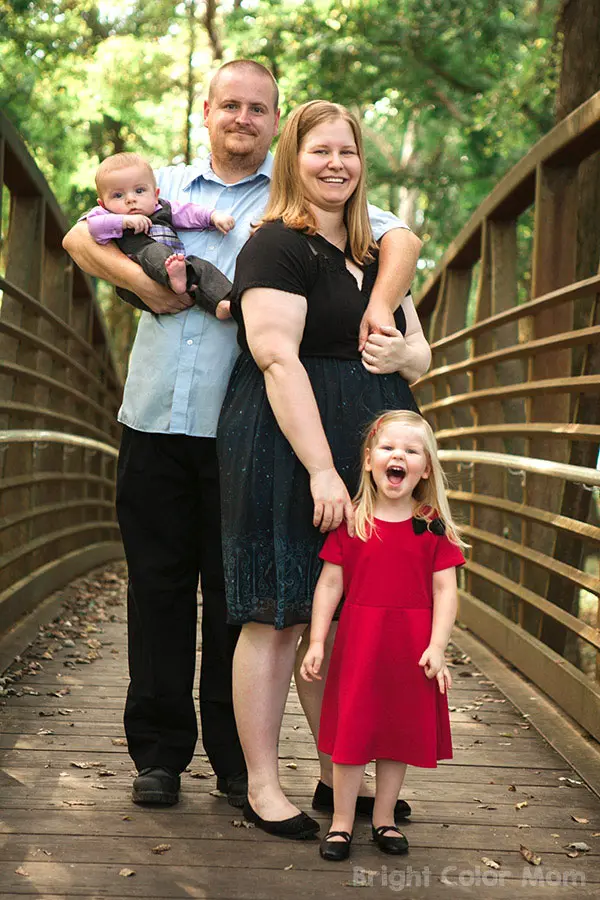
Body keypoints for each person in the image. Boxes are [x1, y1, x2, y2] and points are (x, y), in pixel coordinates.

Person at [62, 61, 422, 810]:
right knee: (159, 588)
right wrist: (143, 285)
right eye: (231, 104)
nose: (243, 118)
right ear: (206, 110)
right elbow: (76, 236)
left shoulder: (291, 200)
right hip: (154, 417)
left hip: (240, 431)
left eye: (259, 109)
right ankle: (159, 755)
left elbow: (395, 238)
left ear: (275, 119)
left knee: (238, 598)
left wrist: (388, 317)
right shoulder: (160, 186)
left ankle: (235, 764)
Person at [217, 100, 431, 839]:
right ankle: (263, 785)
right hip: (290, 439)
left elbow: (420, 349)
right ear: (292, 160)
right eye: (319, 152)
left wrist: (407, 357)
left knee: (340, 613)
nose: (335, 163)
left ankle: (334, 769)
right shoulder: (276, 246)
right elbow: (276, 356)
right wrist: (318, 469)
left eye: (348, 151)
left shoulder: (376, 254)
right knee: (278, 612)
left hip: (369, 444)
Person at [300, 410, 466, 861]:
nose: (400, 457)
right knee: (352, 735)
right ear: (370, 460)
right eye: (390, 448)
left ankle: (385, 818)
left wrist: (437, 646)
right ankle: (340, 823)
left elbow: (445, 590)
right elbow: (330, 584)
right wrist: (317, 641)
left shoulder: (431, 525)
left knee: (397, 735)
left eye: (412, 451)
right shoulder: (355, 522)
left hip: (410, 648)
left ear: (425, 469)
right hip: (360, 647)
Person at [88, 151, 234, 318]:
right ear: (103, 204)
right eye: (118, 195)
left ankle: (222, 302)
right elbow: (94, 227)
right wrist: (123, 221)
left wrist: (213, 216)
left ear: (155, 195)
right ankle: (175, 278)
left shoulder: (163, 208)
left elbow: (189, 213)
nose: (130, 199)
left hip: (177, 267)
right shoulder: (106, 216)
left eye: (139, 190)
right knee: (154, 250)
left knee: (201, 267)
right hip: (141, 273)